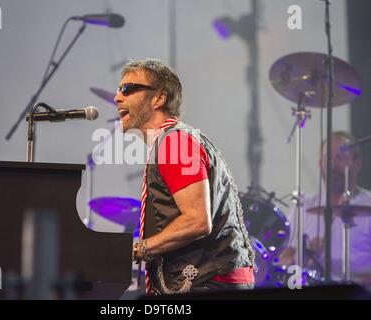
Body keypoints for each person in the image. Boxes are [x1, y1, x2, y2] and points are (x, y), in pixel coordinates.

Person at [114, 58, 255, 295]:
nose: (117, 97)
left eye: (128, 89)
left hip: (209, 282)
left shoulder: (175, 142)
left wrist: (139, 248)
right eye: (119, 90)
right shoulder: (171, 141)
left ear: (159, 98)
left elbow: (196, 221)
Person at [280, 131, 371, 285]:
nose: (333, 165)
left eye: (341, 157)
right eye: (326, 158)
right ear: (319, 163)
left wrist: (350, 286)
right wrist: (302, 256)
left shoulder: (367, 205)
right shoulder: (303, 206)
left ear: (358, 163)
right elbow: (281, 260)